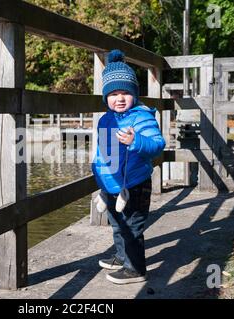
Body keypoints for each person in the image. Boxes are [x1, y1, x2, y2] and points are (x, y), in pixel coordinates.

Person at [91, 49, 165, 284]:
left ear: (134, 94)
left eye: (125, 92)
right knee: (117, 224)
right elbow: (104, 154)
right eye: (113, 94)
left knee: (132, 226)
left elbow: (157, 145)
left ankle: (135, 269)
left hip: (135, 183)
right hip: (113, 185)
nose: (120, 98)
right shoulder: (106, 119)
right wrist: (102, 186)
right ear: (106, 97)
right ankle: (123, 257)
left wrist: (136, 141)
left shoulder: (141, 117)